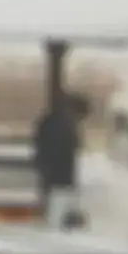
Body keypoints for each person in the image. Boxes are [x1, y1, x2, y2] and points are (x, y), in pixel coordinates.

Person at [31, 91, 85, 229]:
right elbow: (64, 153)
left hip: (51, 173)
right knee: (57, 211)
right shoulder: (63, 125)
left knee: (53, 208)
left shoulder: (50, 120)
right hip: (59, 176)